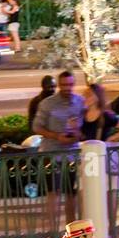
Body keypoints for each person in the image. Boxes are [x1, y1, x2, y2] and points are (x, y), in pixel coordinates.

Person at [33, 70, 87, 221]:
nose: (67, 88)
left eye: (70, 85)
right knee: (53, 193)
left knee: (72, 193)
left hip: (72, 154)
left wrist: (78, 134)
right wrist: (57, 136)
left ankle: (72, 230)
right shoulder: (47, 104)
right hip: (51, 153)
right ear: (59, 85)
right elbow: (37, 127)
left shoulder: (80, 102)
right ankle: (53, 233)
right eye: (63, 85)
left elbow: (87, 127)